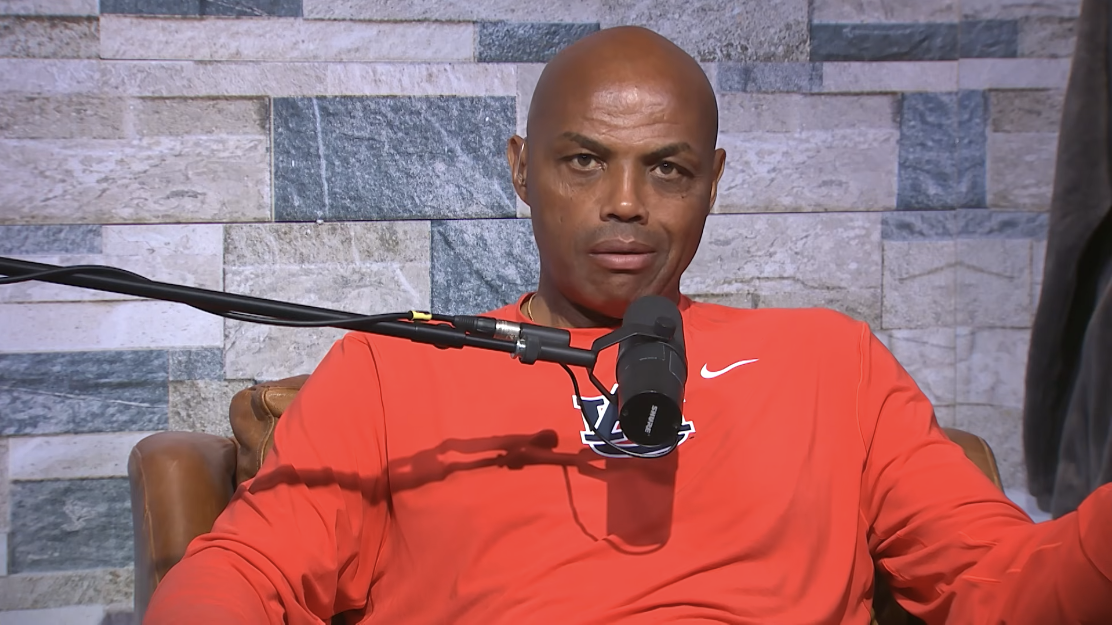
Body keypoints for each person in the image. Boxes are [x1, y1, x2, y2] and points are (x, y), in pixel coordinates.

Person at [145, 26, 1112, 624]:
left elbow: (1006, 584)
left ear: (712, 183)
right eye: (583, 161)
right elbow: (247, 572)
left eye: (667, 168)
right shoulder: (394, 364)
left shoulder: (831, 362)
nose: (624, 201)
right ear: (521, 169)